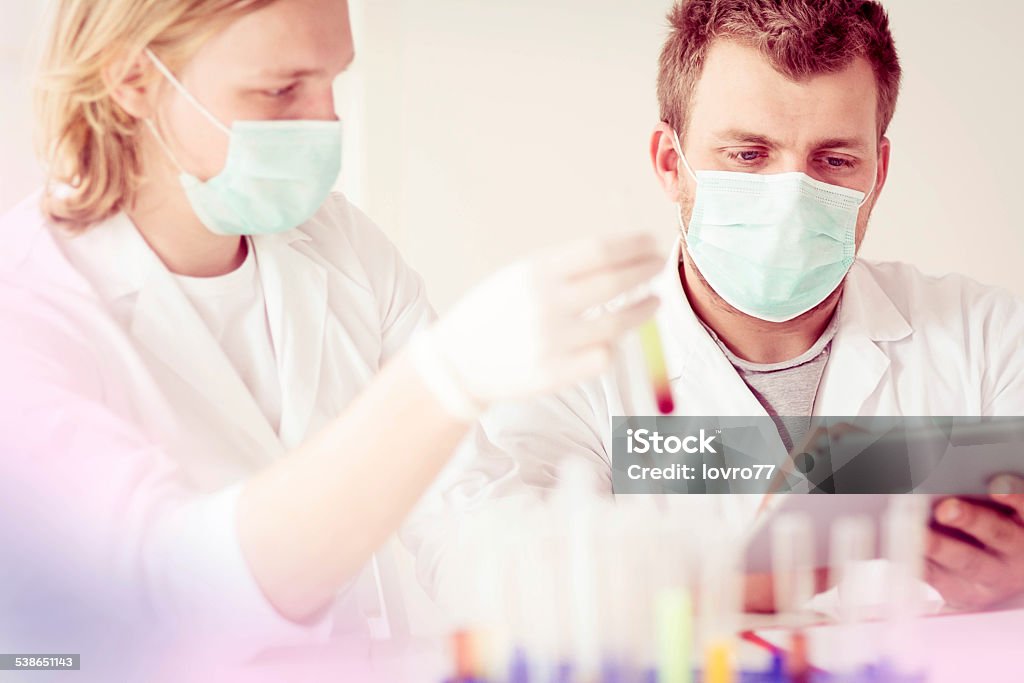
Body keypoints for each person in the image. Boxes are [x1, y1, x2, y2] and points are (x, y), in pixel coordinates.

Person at [0, 0, 664, 672]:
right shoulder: (29, 302)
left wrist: (629, 596)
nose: (326, 123)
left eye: (333, 80)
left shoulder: (342, 247)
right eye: (281, 89)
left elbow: (465, 514)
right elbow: (176, 583)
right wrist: (443, 379)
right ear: (133, 80)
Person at [407, 0, 1024, 614]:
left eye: (834, 161)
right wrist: (720, 595)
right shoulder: (571, 363)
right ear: (672, 165)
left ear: (878, 171)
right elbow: (495, 585)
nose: (790, 201)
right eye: (748, 155)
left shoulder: (988, 338)